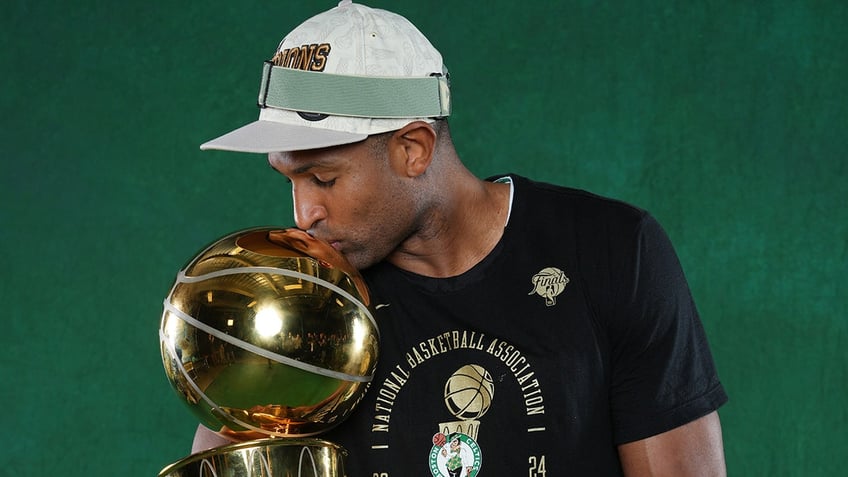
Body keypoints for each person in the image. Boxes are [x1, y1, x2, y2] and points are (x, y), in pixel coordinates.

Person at [192, 1, 728, 475]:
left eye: (324, 179)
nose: (304, 214)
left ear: (414, 148)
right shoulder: (300, 297)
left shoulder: (612, 252)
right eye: (289, 179)